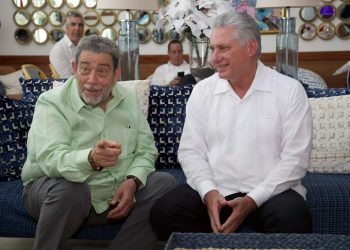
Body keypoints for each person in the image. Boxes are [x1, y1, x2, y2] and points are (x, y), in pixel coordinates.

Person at [150, 10, 313, 240]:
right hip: (218, 189)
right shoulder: (202, 91)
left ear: (251, 48)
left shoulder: (289, 91)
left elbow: (295, 159)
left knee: (293, 219)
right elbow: (190, 151)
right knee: (163, 214)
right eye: (213, 48)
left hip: (270, 192)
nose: (214, 58)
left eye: (223, 48)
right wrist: (208, 192)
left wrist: (252, 200)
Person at [21, 35, 177, 250]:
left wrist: (132, 181)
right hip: (55, 194)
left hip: (113, 195)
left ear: (116, 74)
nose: (92, 80)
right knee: (72, 191)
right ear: (74, 67)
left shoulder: (128, 99)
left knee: (164, 183)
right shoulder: (51, 102)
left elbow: (146, 149)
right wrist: (91, 159)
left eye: (102, 71)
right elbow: (51, 160)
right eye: (85, 69)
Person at [49, 11, 84, 79]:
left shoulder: (84, 46)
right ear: (67, 27)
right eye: (73, 24)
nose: (77, 28)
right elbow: (66, 79)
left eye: (80, 25)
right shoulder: (58, 49)